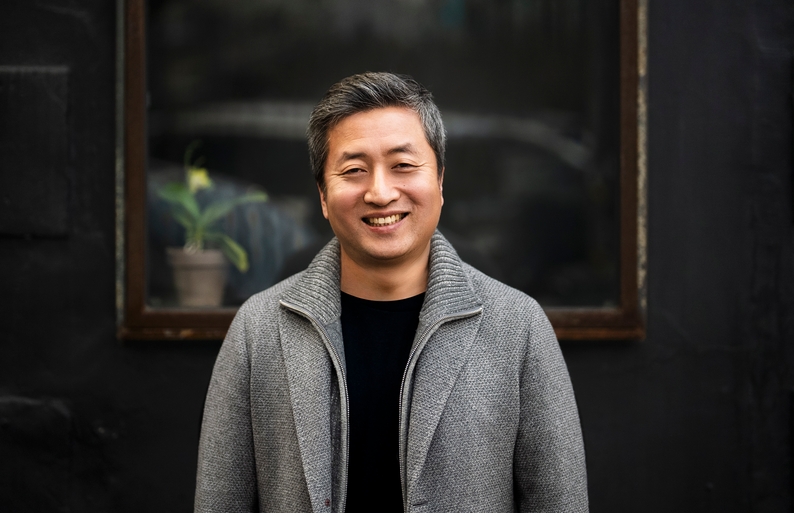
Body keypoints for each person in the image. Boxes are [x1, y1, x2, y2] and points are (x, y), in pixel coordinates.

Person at [194, 73, 588, 513]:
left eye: (403, 165)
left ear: (439, 180)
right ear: (323, 196)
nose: (380, 193)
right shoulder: (259, 329)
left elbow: (560, 502)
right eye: (354, 171)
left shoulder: (518, 327)